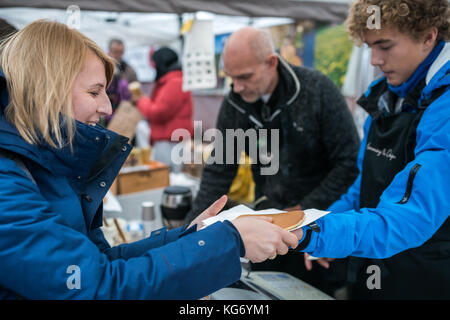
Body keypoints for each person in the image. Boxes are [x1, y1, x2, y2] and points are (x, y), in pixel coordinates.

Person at [0, 20, 300, 300]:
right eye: (94, 92)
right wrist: (227, 242)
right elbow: (98, 286)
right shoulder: (7, 185)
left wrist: (190, 237)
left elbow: (97, 262)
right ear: (45, 91)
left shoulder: (38, 169)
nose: (106, 107)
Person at [184, 26, 361, 294]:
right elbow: (219, 171)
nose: (238, 87)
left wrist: (304, 208)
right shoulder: (236, 103)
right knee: (265, 290)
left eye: (245, 77)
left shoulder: (317, 90)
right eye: (232, 79)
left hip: (320, 222)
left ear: (271, 63)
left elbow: (348, 162)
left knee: (313, 292)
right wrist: (190, 231)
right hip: (267, 220)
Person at [292, 0, 450, 299]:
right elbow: (364, 187)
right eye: (369, 47)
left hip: (428, 278)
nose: (374, 60)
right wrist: (321, 223)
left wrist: (315, 234)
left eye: (385, 45)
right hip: (375, 269)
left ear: (429, 37)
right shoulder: (384, 98)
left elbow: (411, 215)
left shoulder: (445, 109)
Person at [135, 47, 194, 173]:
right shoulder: (173, 80)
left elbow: (159, 112)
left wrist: (142, 101)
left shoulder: (174, 82)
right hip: (170, 140)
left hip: (170, 143)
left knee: (168, 177)